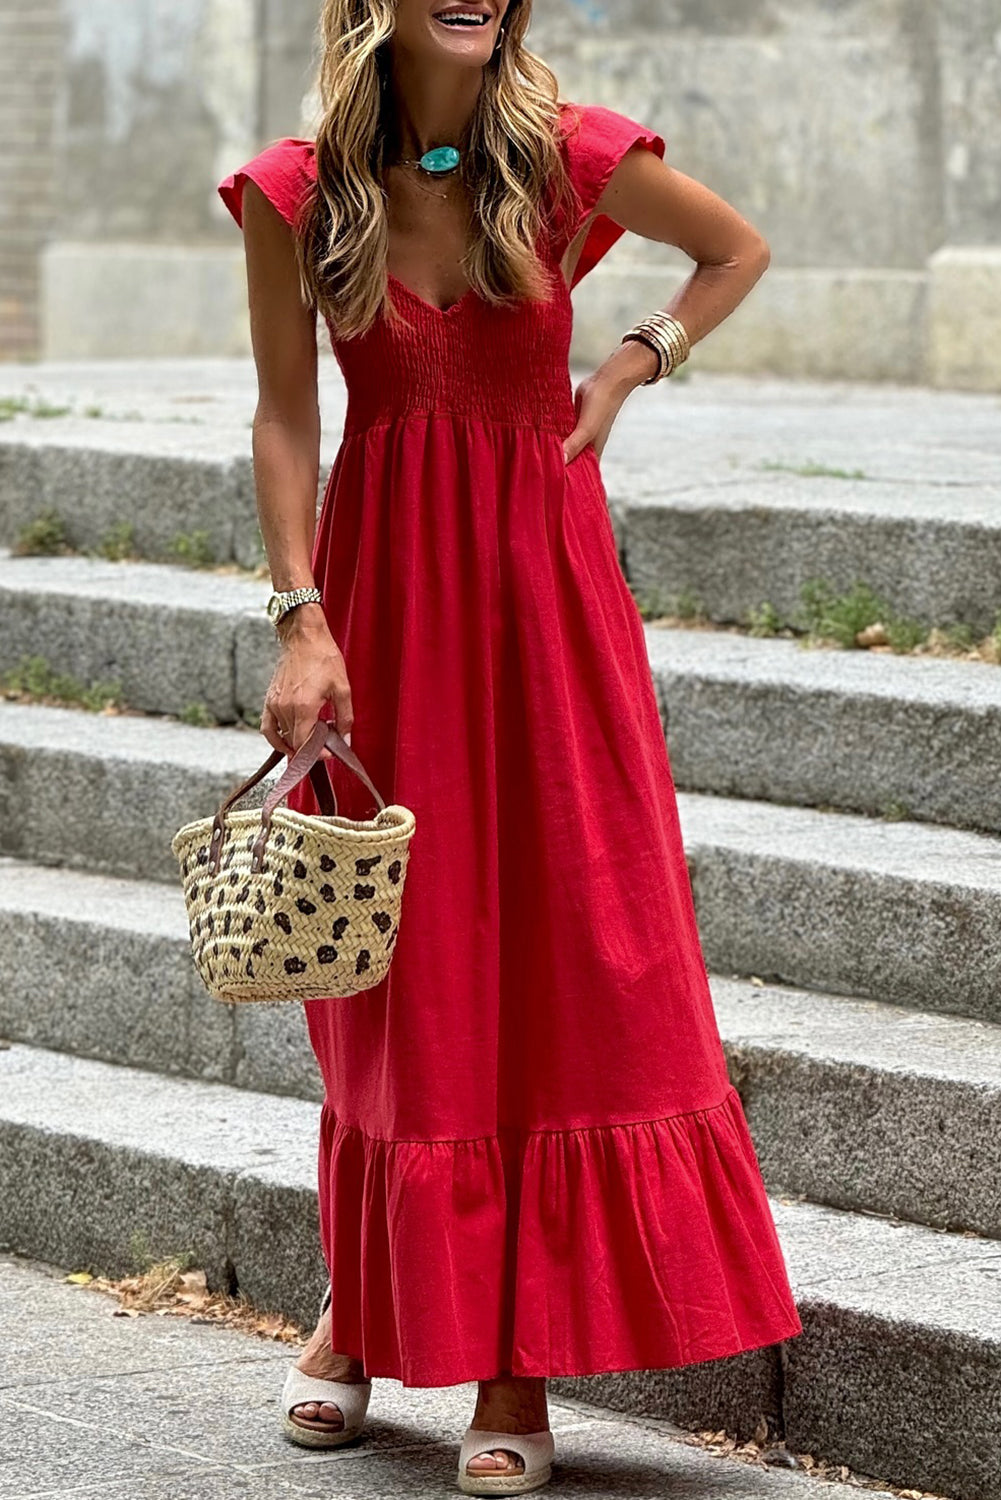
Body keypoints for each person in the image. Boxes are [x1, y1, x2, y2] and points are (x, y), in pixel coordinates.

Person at [217, 0, 803, 1492]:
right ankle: (362, 1302)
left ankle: (511, 1358)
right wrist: (299, 619)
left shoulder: (567, 157)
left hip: (545, 602)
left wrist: (627, 364)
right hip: (389, 601)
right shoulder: (295, 191)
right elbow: (288, 419)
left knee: (551, 950)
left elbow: (733, 249)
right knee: (400, 966)